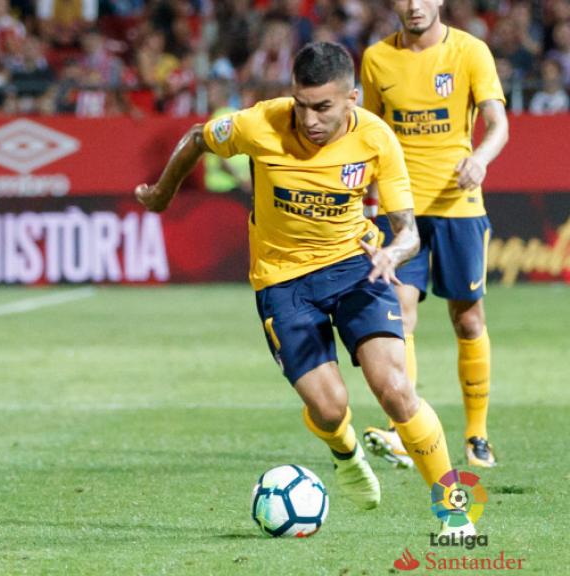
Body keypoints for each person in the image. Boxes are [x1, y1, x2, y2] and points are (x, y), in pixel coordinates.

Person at [135, 41, 460, 526]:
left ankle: (455, 514)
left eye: (323, 108)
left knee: (394, 388)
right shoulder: (259, 123)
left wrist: (395, 250)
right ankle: (346, 452)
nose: (308, 120)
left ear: (352, 99)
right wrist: (162, 193)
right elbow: (199, 137)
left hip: (357, 267)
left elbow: (409, 230)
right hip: (283, 281)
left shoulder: (376, 138)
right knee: (330, 409)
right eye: (302, 105)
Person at [360, 0, 509, 469]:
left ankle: (476, 434)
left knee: (467, 320)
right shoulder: (376, 58)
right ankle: (405, 430)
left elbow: (498, 123)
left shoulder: (470, 52)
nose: (413, 5)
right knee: (400, 315)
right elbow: (370, 131)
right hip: (400, 212)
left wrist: (480, 158)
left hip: (458, 208)